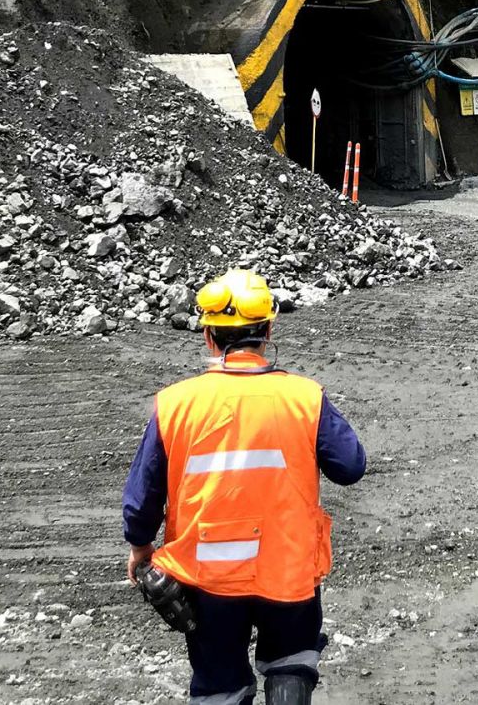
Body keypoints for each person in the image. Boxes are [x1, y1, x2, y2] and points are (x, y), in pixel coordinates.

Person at [123, 269, 367, 705]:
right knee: (291, 664)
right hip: (288, 571)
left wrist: (140, 548)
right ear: (268, 330)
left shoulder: (175, 404)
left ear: (209, 337)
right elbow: (350, 466)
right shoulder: (304, 397)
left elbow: (144, 495)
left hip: (208, 582)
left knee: (220, 687)